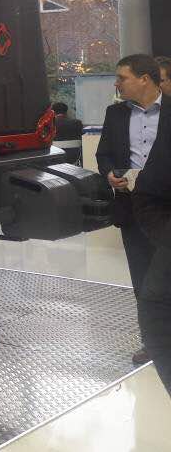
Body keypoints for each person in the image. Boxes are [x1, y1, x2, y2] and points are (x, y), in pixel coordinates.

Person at [96, 53, 171, 388]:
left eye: (122, 77)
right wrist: (109, 173)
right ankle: (151, 340)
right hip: (131, 206)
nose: (117, 84)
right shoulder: (115, 114)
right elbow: (104, 154)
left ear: (145, 79)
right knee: (142, 276)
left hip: (166, 209)